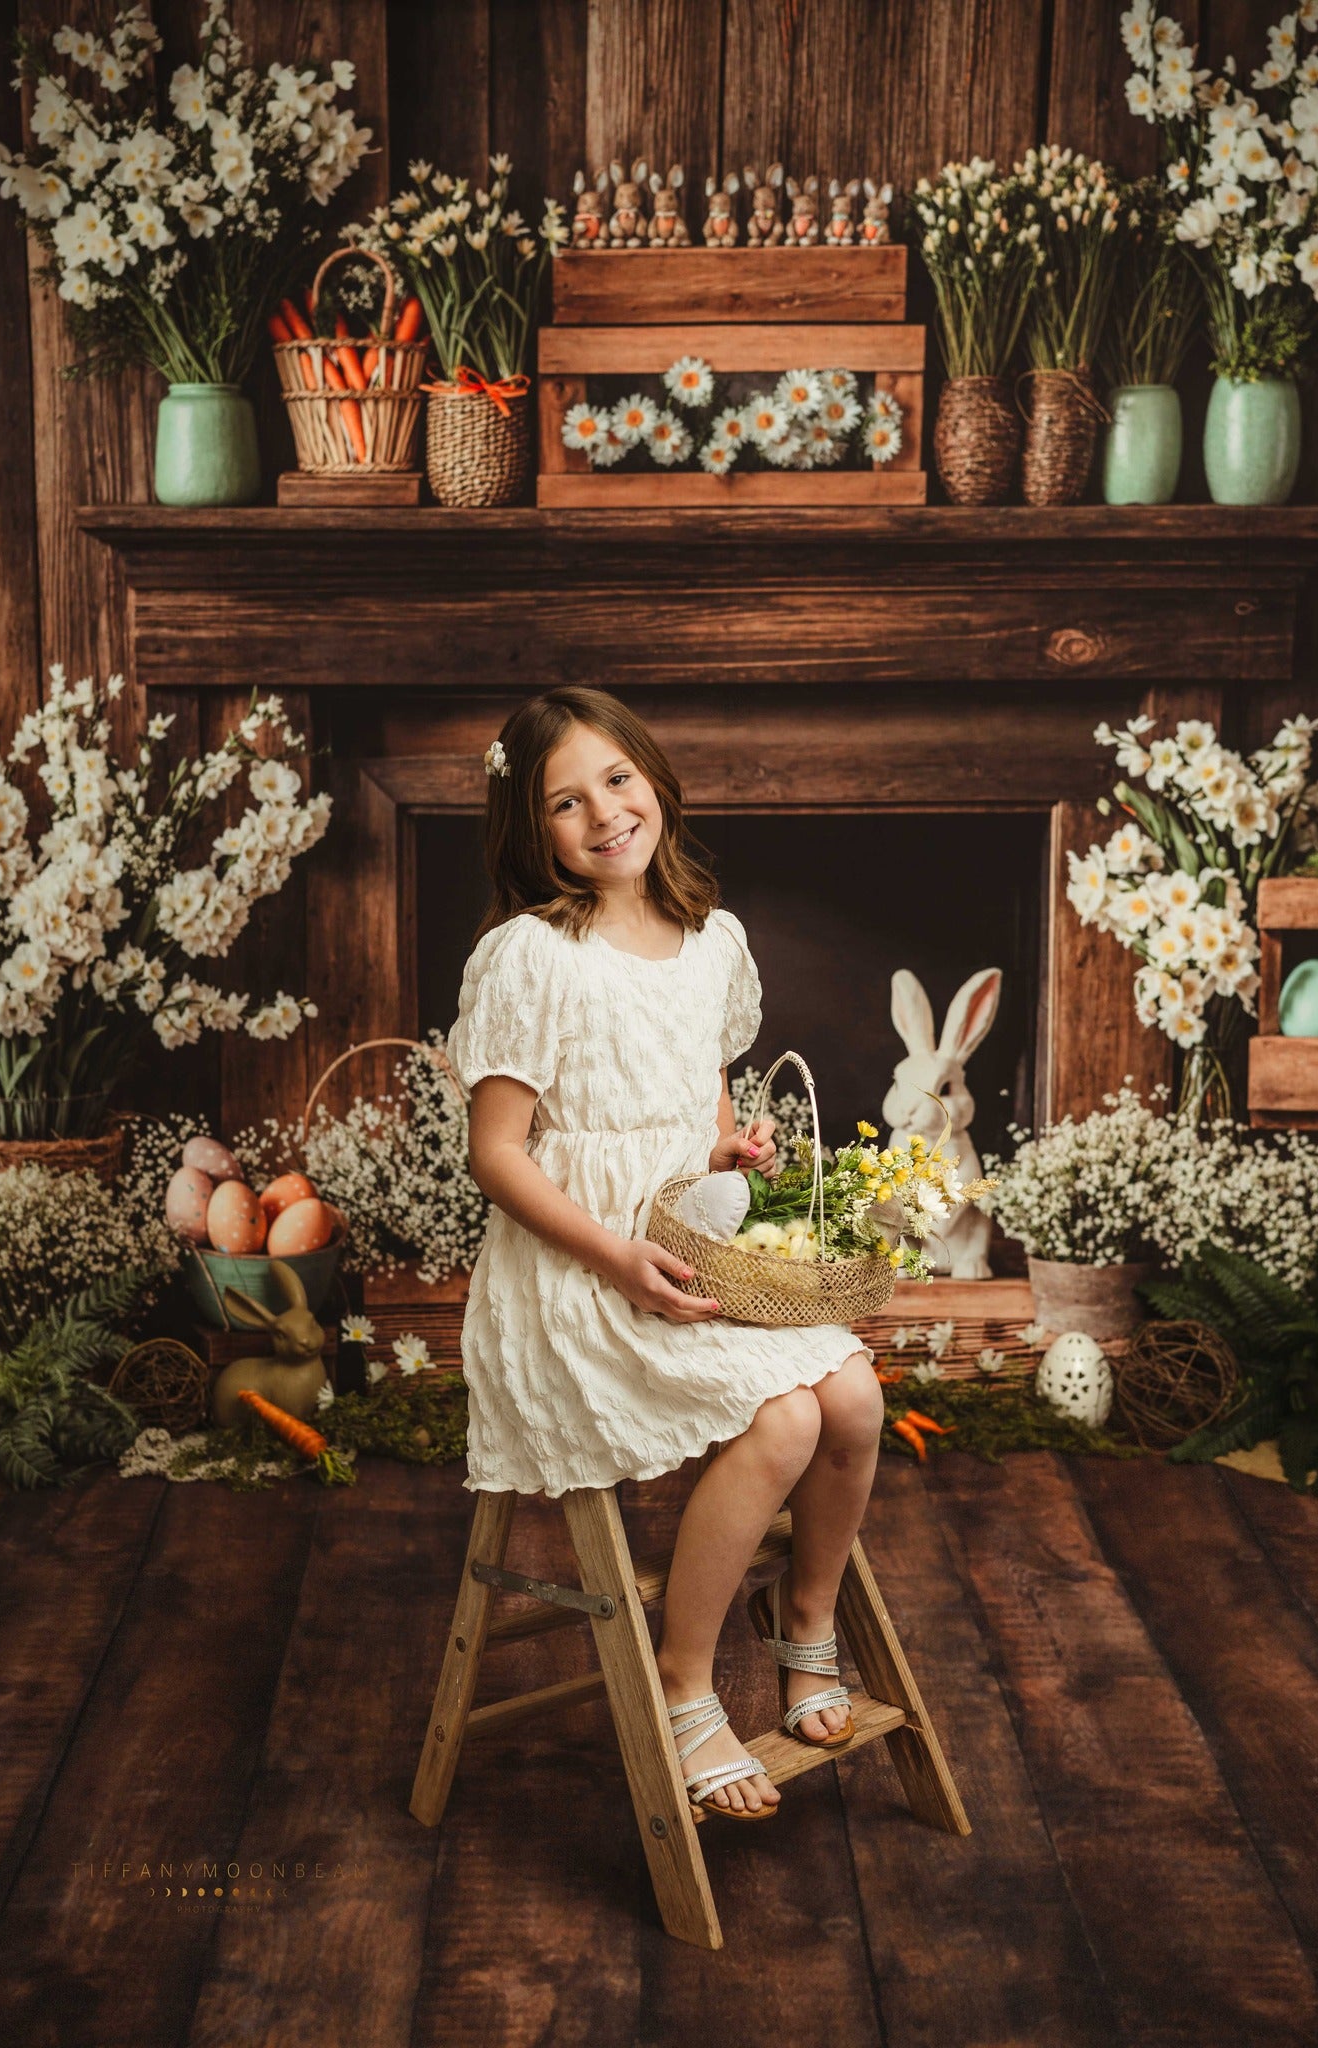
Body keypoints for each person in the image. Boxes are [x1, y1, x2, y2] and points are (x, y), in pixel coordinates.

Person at [445, 685, 884, 1820]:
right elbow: (498, 1154)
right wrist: (616, 1255)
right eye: (564, 803)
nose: (602, 813)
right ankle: (686, 1688)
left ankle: (805, 1623)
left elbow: (702, 1103)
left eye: (617, 779)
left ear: (655, 776)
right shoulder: (531, 956)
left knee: (856, 1396)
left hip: (691, 1249)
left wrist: (730, 1144)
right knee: (785, 1415)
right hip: (578, 1277)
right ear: (530, 831)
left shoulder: (709, 940)